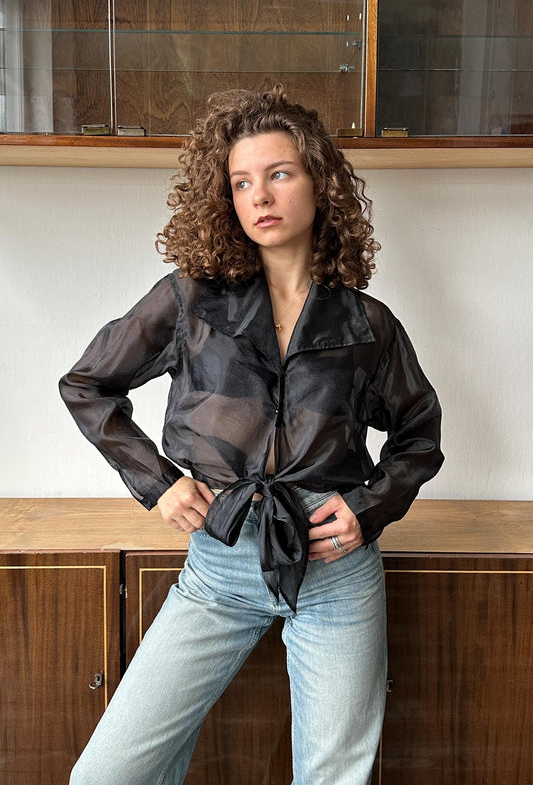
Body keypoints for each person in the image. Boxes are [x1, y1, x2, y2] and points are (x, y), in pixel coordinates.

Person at [60, 85, 444, 785]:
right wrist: (160, 482)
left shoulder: (368, 324)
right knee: (109, 773)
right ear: (226, 199)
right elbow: (87, 385)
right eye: (241, 182)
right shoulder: (188, 301)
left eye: (278, 174)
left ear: (318, 185)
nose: (258, 195)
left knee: (333, 776)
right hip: (217, 568)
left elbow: (419, 434)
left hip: (335, 573)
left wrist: (367, 508)